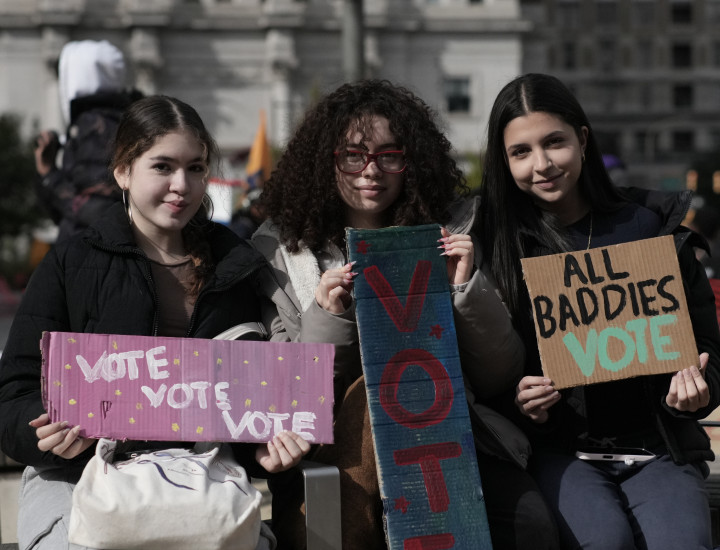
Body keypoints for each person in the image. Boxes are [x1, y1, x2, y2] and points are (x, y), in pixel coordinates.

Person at [252, 79, 559, 550]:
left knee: (531, 525)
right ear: (325, 161)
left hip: (450, 441)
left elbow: (501, 374)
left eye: (389, 155)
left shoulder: (457, 232)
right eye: (353, 155)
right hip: (332, 453)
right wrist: (327, 317)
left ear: (411, 162)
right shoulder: (281, 251)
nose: (370, 171)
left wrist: (464, 288)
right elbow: (289, 392)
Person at [0, 95, 310, 549]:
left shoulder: (237, 267)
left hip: (203, 483)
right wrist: (41, 429)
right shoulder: (71, 262)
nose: (181, 185)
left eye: (196, 168)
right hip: (78, 480)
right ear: (123, 171)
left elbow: (249, 401)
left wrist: (265, 449)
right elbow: (14, 393)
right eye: (162, 167)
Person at [479, 72, 720, 549]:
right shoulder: (494, 248)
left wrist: (698, 390)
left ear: (583, 140)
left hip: (660, 452)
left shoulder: (652, 228)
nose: (542, 164)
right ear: (503, 162)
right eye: (520, 152)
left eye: (555, 142)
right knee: (604, 541)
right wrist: (521, 402)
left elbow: (710, 349)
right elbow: (482, 371)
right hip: (560, 456)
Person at [34, 39, 143, 243]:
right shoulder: (117, 120)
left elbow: (96, 208)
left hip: (89, 254)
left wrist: (50, 175)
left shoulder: (95, 125)